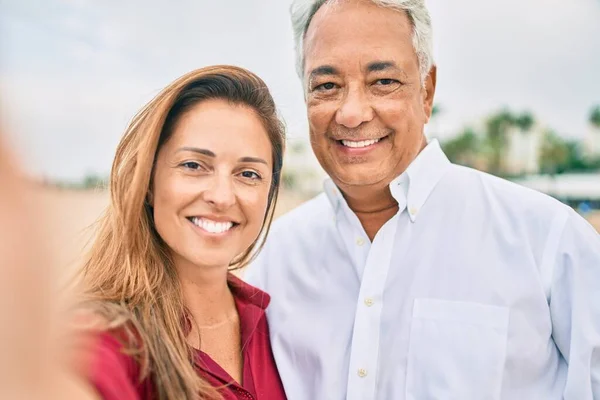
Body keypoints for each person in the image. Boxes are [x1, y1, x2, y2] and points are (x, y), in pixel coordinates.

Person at [244, 1, 600, 399]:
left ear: (426, 91)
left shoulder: (548, 241)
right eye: (327, 86)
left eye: (383, 82)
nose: (352, 113)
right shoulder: (269, 262)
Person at [75, 65, 287, 399]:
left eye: (247, 173)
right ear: (147, 181)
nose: (221, 196)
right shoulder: (105, 341)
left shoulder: (278, 325)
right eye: (193, 165)